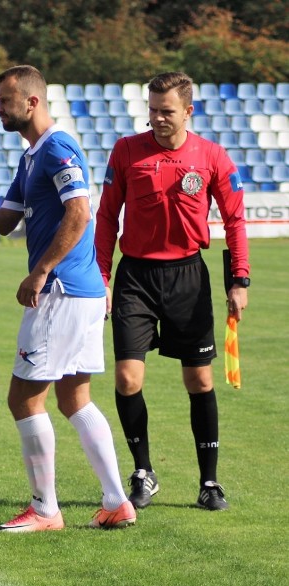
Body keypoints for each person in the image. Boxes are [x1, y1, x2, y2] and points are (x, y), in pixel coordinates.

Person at [0, 65, 136, 532]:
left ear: (31, 102)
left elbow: (80, 214)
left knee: (23, 397)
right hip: (80, 291)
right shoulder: (32, 156)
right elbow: (6, 220)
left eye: (4, 100)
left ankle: (46, 510)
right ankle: (117, 502)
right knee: (75, 398)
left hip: (61, 291)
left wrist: (41, 271)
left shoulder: (57, 148)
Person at [94, 71, 250, 512]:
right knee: (127, 379)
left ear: (188, 111)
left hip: (188, 277)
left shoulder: (212, 156)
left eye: (167, 111)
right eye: (152, 110)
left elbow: (235, 220)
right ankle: (143, 472)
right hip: (136, 279)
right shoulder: (126, 150)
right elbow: (107, 216)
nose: (158, 118)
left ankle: (209, 482)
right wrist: (101, 280)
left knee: (198, 379)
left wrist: (239, 279)